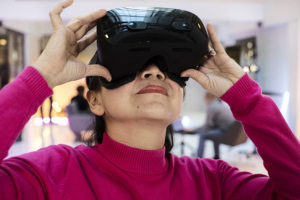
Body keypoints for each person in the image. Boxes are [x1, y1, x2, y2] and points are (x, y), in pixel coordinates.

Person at [0, 1, 299, 199]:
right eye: (131, 66)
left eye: (168, 68)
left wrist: (244, 96)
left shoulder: (215, 183)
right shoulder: (48, 175)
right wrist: (40, 77)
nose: (154, 72)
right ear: (95, 101)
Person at [196, 92, 236, 159]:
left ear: (207, 99)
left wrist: (194, 129)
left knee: (202, 134)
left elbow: (206, 126)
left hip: (226, 133)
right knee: (214, 132)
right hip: (231, 132)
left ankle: (198, 159)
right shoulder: (218, 104)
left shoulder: (211, 107)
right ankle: (216, 156)